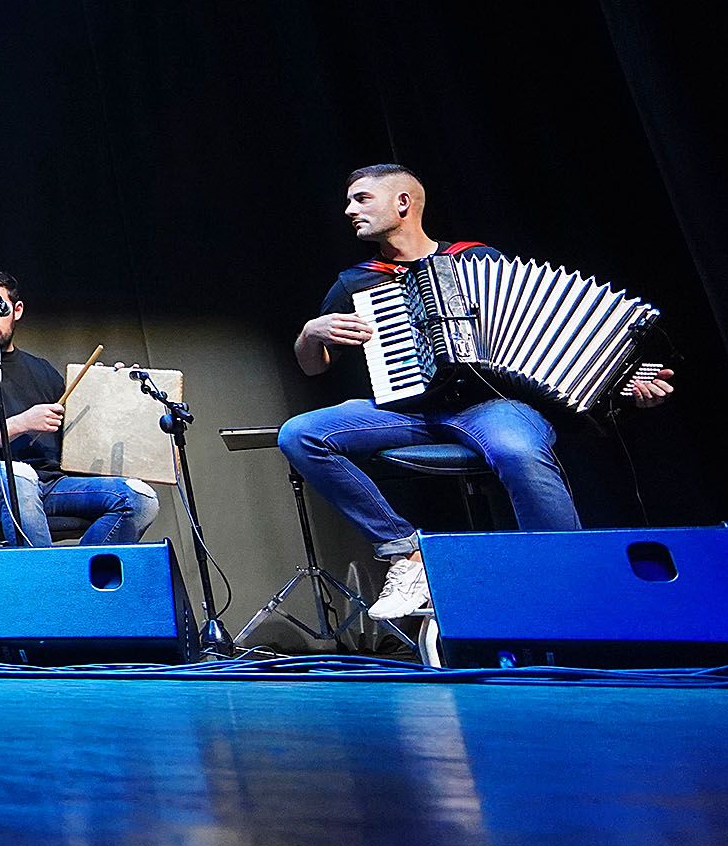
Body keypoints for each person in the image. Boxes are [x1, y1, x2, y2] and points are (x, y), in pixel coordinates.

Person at [281, 163, 675, 620]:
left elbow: (550, 334)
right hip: (412, 410)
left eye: (362, 199)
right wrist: (311, 333)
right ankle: (406, 554)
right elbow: (313, 367)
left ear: (403, 203)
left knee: (518, 451)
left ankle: (566, 580)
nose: (350, 210)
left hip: (494, 406)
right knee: (301, 433)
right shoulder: (358, 280)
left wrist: (621, 384)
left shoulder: (478, 259)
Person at [0, 269, 160, 547]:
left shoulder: (42, 370)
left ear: (17, 310)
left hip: (49, 485)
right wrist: (21, 423)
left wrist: (108, 393)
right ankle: (45, 582)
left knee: (139, 498)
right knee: (19, 476)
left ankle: (74, 580)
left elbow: (80, 443)